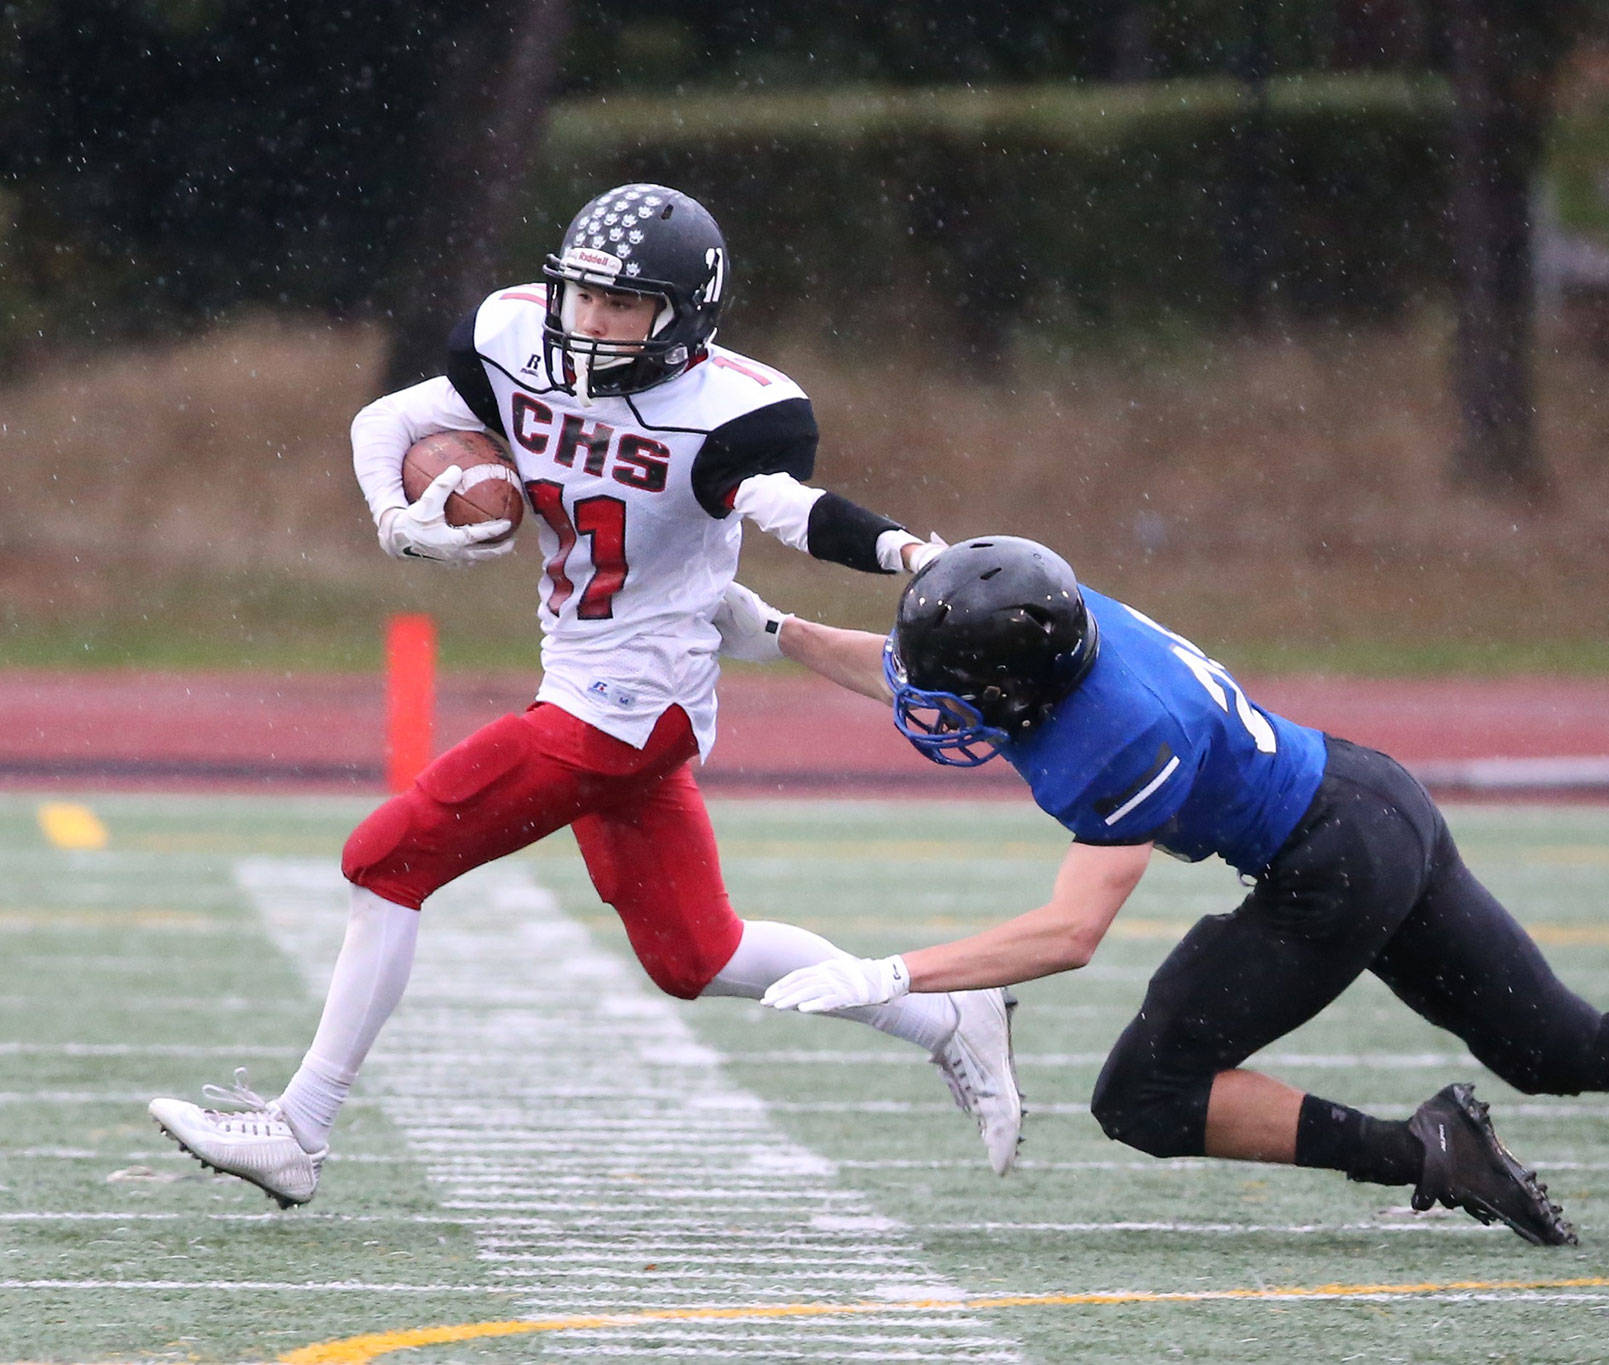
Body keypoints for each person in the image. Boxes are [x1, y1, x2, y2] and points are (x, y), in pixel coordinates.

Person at [147, 185, 1022, 1207]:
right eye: (582, 297)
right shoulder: (516, 337)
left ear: (683, 317)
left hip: (628, 704)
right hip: (588, 682)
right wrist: (397, 519)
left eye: (622, 306)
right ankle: (949, 1015)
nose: (590, 324)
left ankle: (299, 1127)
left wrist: (907, 550)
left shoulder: (734, 410)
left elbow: (794, 512)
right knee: (696, 954)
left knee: (382, 861)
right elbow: (390, 418)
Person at [713, 536, 1609, 1248]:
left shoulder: (1110, 740)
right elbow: (934, 661)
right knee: (1556, 1041)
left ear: (1025, 684)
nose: (934, 705)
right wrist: (775, 632)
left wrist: (894, 975)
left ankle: (1425, 1151)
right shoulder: (1048, 620)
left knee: (1143, 1094)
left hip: (1327, 864)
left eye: (962, 692)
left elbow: (1068, 930)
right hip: (1366, 798)